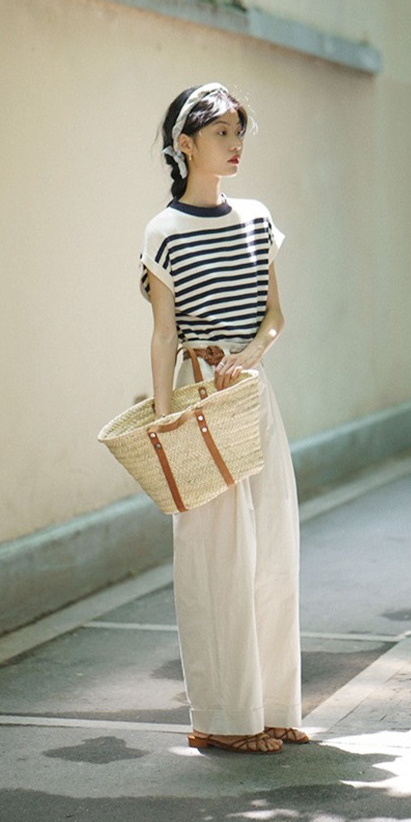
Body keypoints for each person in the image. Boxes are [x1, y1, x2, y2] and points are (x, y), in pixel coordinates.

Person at [140, 80, 303, 751]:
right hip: (199, 397)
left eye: (239, 132)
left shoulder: (257, 219)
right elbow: (162, 336)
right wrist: (164, 423)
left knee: (275, 547)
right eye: (221, 134)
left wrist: (251, 356)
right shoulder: (163, 232)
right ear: (185, 144)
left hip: (251, 393)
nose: (236, 145)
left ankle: (273, 705)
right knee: (214, 558)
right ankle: (222, 719)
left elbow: (275, 317)